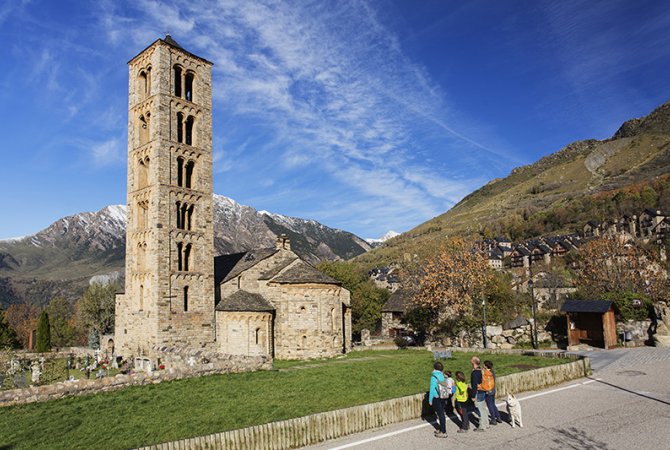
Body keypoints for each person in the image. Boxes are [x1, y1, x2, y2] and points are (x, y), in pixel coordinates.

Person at [428, 361, 448, 438]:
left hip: (437, 397)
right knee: (441, 413)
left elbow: (432, 389)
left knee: (440, 414)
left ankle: (443, 431)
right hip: (443, 396)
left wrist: (430, 400)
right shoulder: (442, 375)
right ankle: (441, 428)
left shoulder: (434, 376)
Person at [470, 356, 489, 432]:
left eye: (471, 359)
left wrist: (473, 396)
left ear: (473, 362)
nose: (470, 360)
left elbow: (474, 385)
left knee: (479, 409)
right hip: (483, 391)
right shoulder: (481, 370)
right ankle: (486, 423)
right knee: (483, 408)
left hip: (478, 392)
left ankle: (482, 426)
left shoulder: (474, 372)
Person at [484, 360, 502, 424]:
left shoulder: (486, 373)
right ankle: (498, 417)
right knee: (493, 404)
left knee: (490, 405)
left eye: (484, 365)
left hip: (488, 391)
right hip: (493, 390)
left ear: (486, 366)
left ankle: (493, 419)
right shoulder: (492, 372)